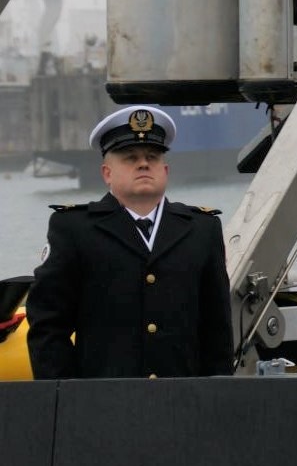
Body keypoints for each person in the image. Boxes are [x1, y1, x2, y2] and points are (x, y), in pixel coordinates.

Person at [26, 105, 234, 380]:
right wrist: (68, 402)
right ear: (107, 173)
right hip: (102, 408)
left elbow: (217, 331)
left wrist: (214, 400)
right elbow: (48, 326)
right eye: (130, 157)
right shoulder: (74, 229)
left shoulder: (202, 229)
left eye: (152, 156)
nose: (144, 163)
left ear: (166, 170)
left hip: (184, 406)